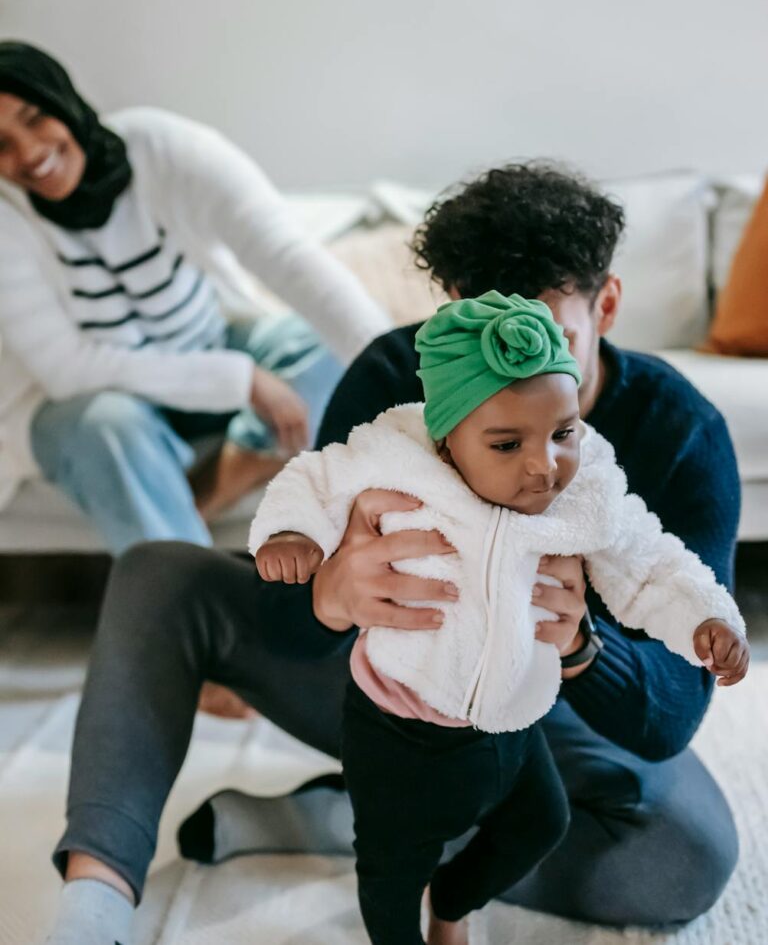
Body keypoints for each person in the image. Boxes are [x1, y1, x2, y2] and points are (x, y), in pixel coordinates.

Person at [44, 164, 742, 945]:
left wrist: (583, 647)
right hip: (379, 691)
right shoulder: (392, 381)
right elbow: (292, 581)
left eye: (551, 341)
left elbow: (671, 715)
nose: (511, 378)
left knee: (685, 856)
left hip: (534, 712)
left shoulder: (679, 434)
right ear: (449, 308)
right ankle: (93, 909)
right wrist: (327, 593)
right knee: (157, 574)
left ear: (606, 304)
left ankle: (346, 823)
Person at [251, 291, 747, 945]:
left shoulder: (585, 485)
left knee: (541, 823)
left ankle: (453, 899)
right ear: (446, 439)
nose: (544, 466)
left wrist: (706, 617)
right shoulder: (396, 456)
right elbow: (313, 479)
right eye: (507, 443)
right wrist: (292, 533)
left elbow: (649, 560)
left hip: (512, 717)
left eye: (563, 432)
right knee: (393, 872)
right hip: (399, 728)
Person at [0, 41, 391, 554]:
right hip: (100, 397)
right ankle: (190, 588)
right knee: (108, 427)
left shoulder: (162, 147)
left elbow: (288, 257)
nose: (29, 153)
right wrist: (242, 379)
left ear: (63, 99)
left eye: (35, 118)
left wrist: (403, 373)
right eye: (1, 145)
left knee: (327, 353)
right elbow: (66, 370)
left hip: (210, 341)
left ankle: (198, 507)